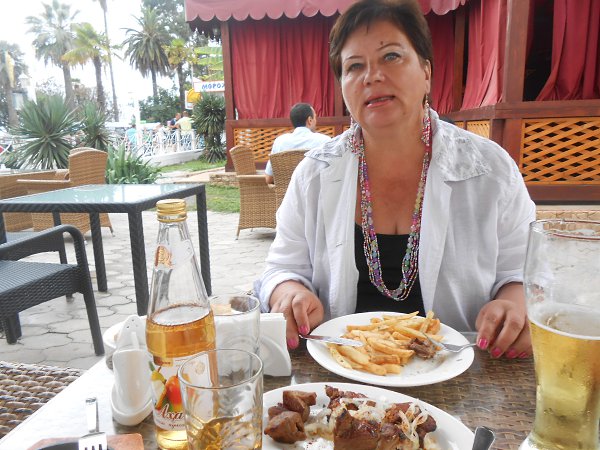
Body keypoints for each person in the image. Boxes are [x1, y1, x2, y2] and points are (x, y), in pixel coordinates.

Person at [255, 0, 536, 360]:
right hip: (341, 370)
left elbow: (525, 271)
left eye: (391, 56)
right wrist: (288, 292)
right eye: (354, 66)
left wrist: (515, 303)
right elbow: (282, 267)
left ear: (426, 72)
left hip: (461, 368)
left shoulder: (490, 170)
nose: (371, 76)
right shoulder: (314, 174)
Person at [264, 103, 331, 184]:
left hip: (287, 192)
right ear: (310, 120)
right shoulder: (324, 141)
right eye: (315, 118)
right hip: (317, 191)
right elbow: (333, 172)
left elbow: (268, 179)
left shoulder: (279, 142)